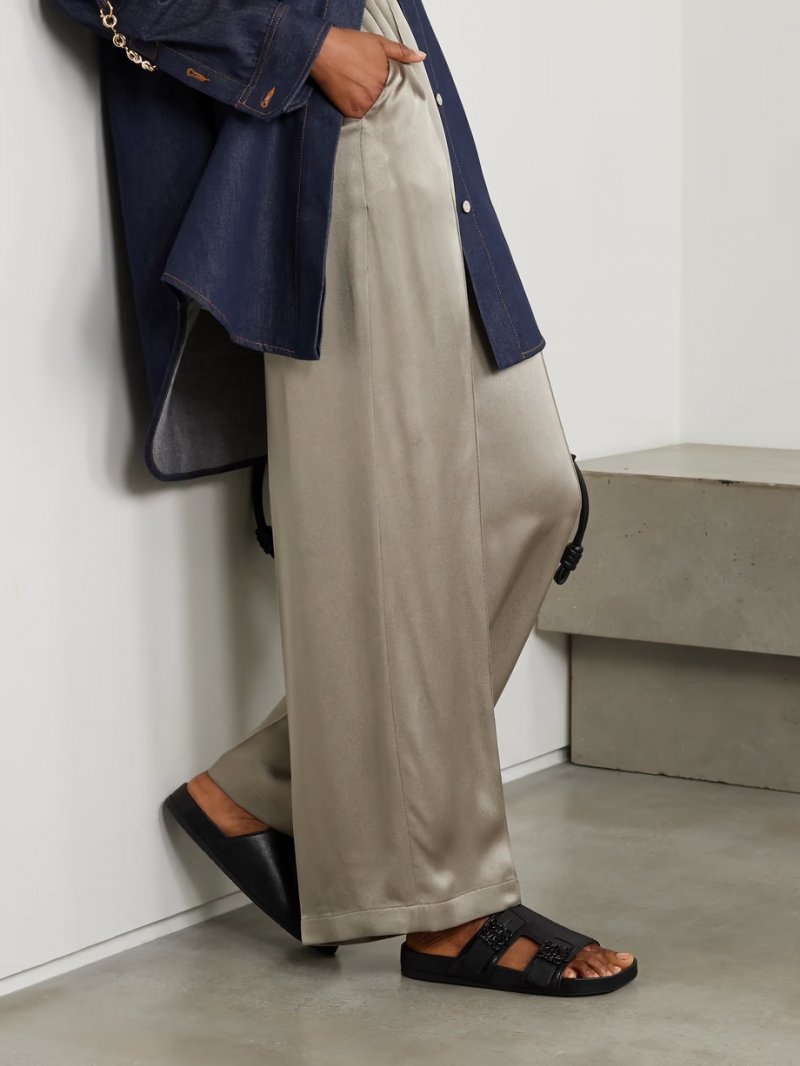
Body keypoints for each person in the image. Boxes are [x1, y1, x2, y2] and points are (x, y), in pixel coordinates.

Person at [52, 0, 637, 997]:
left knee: (534, 491)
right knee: (402, 539)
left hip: (404, 100)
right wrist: (306, 49)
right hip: (319, 139)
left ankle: (261, 789)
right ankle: (447, 910)